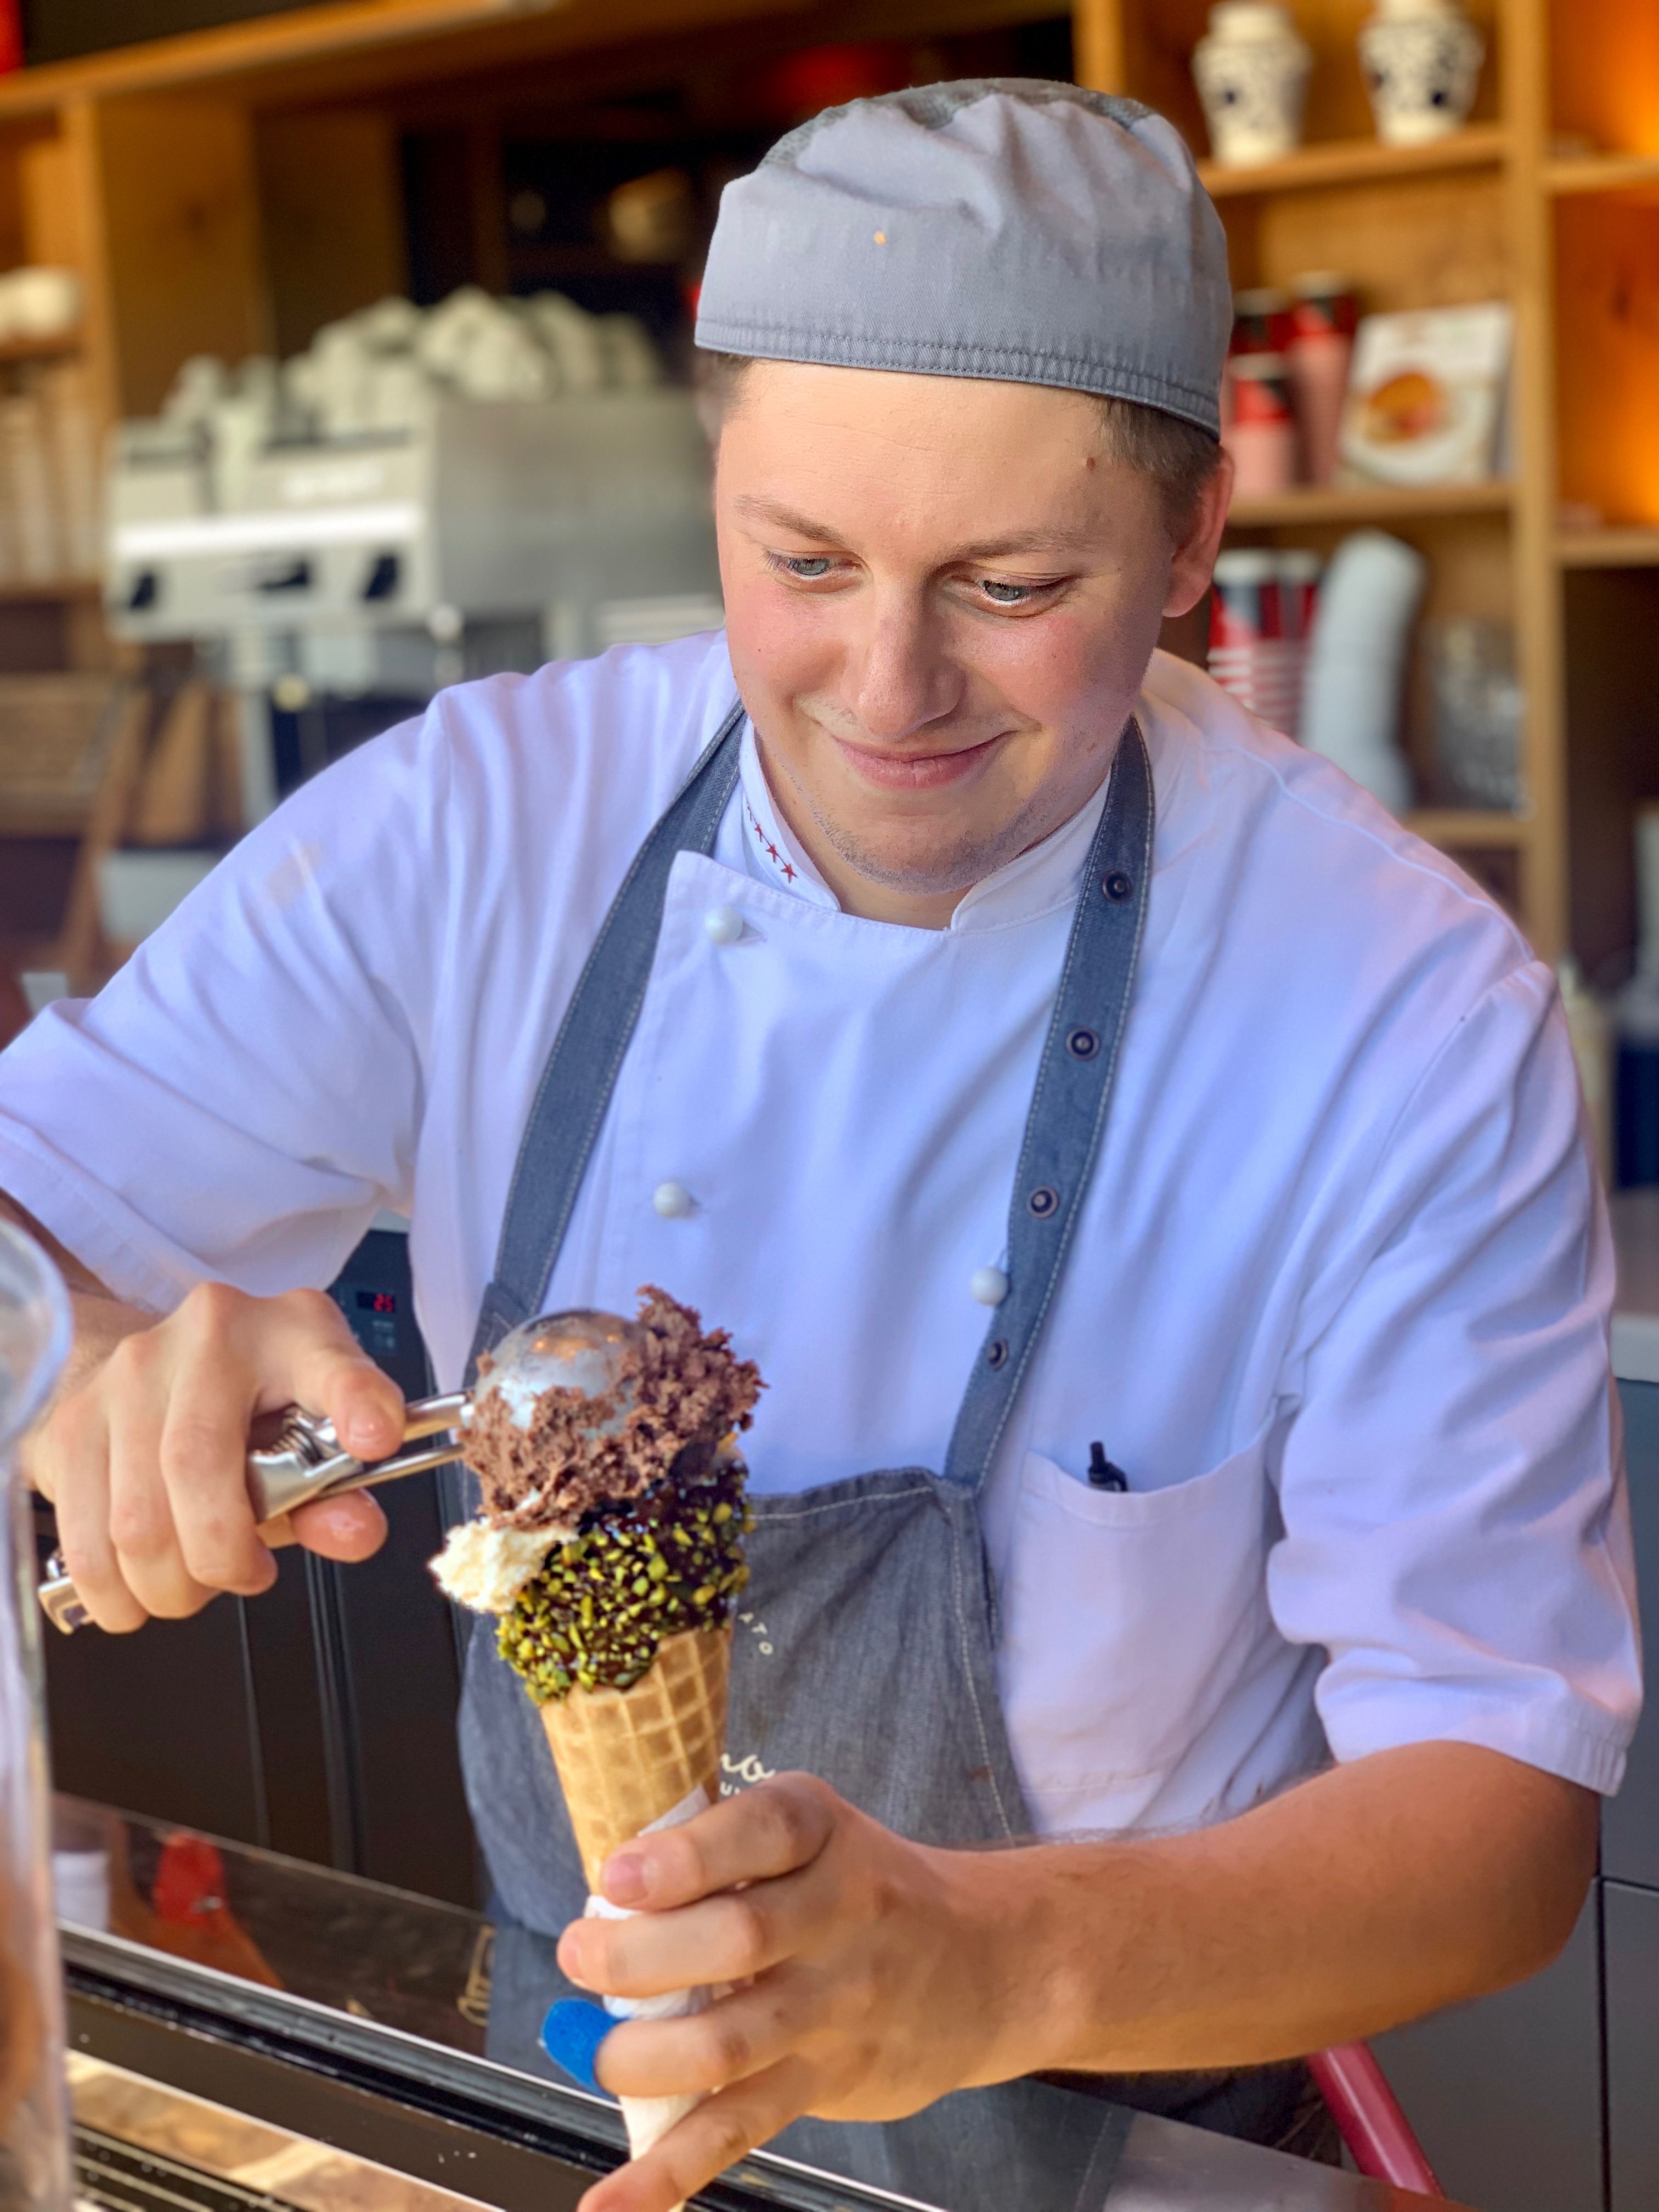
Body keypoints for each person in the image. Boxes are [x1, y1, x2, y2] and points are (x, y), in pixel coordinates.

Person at [0, 80, 1640, 2212]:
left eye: (1011, 579)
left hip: (1135, 2142)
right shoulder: (488, 821)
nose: (888, 681)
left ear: (1195, 538)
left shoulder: (1403, 1017)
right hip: (576, 2102)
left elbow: (1496, 1813)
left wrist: (984, 1959)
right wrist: (105, 1341)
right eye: (800, 561)